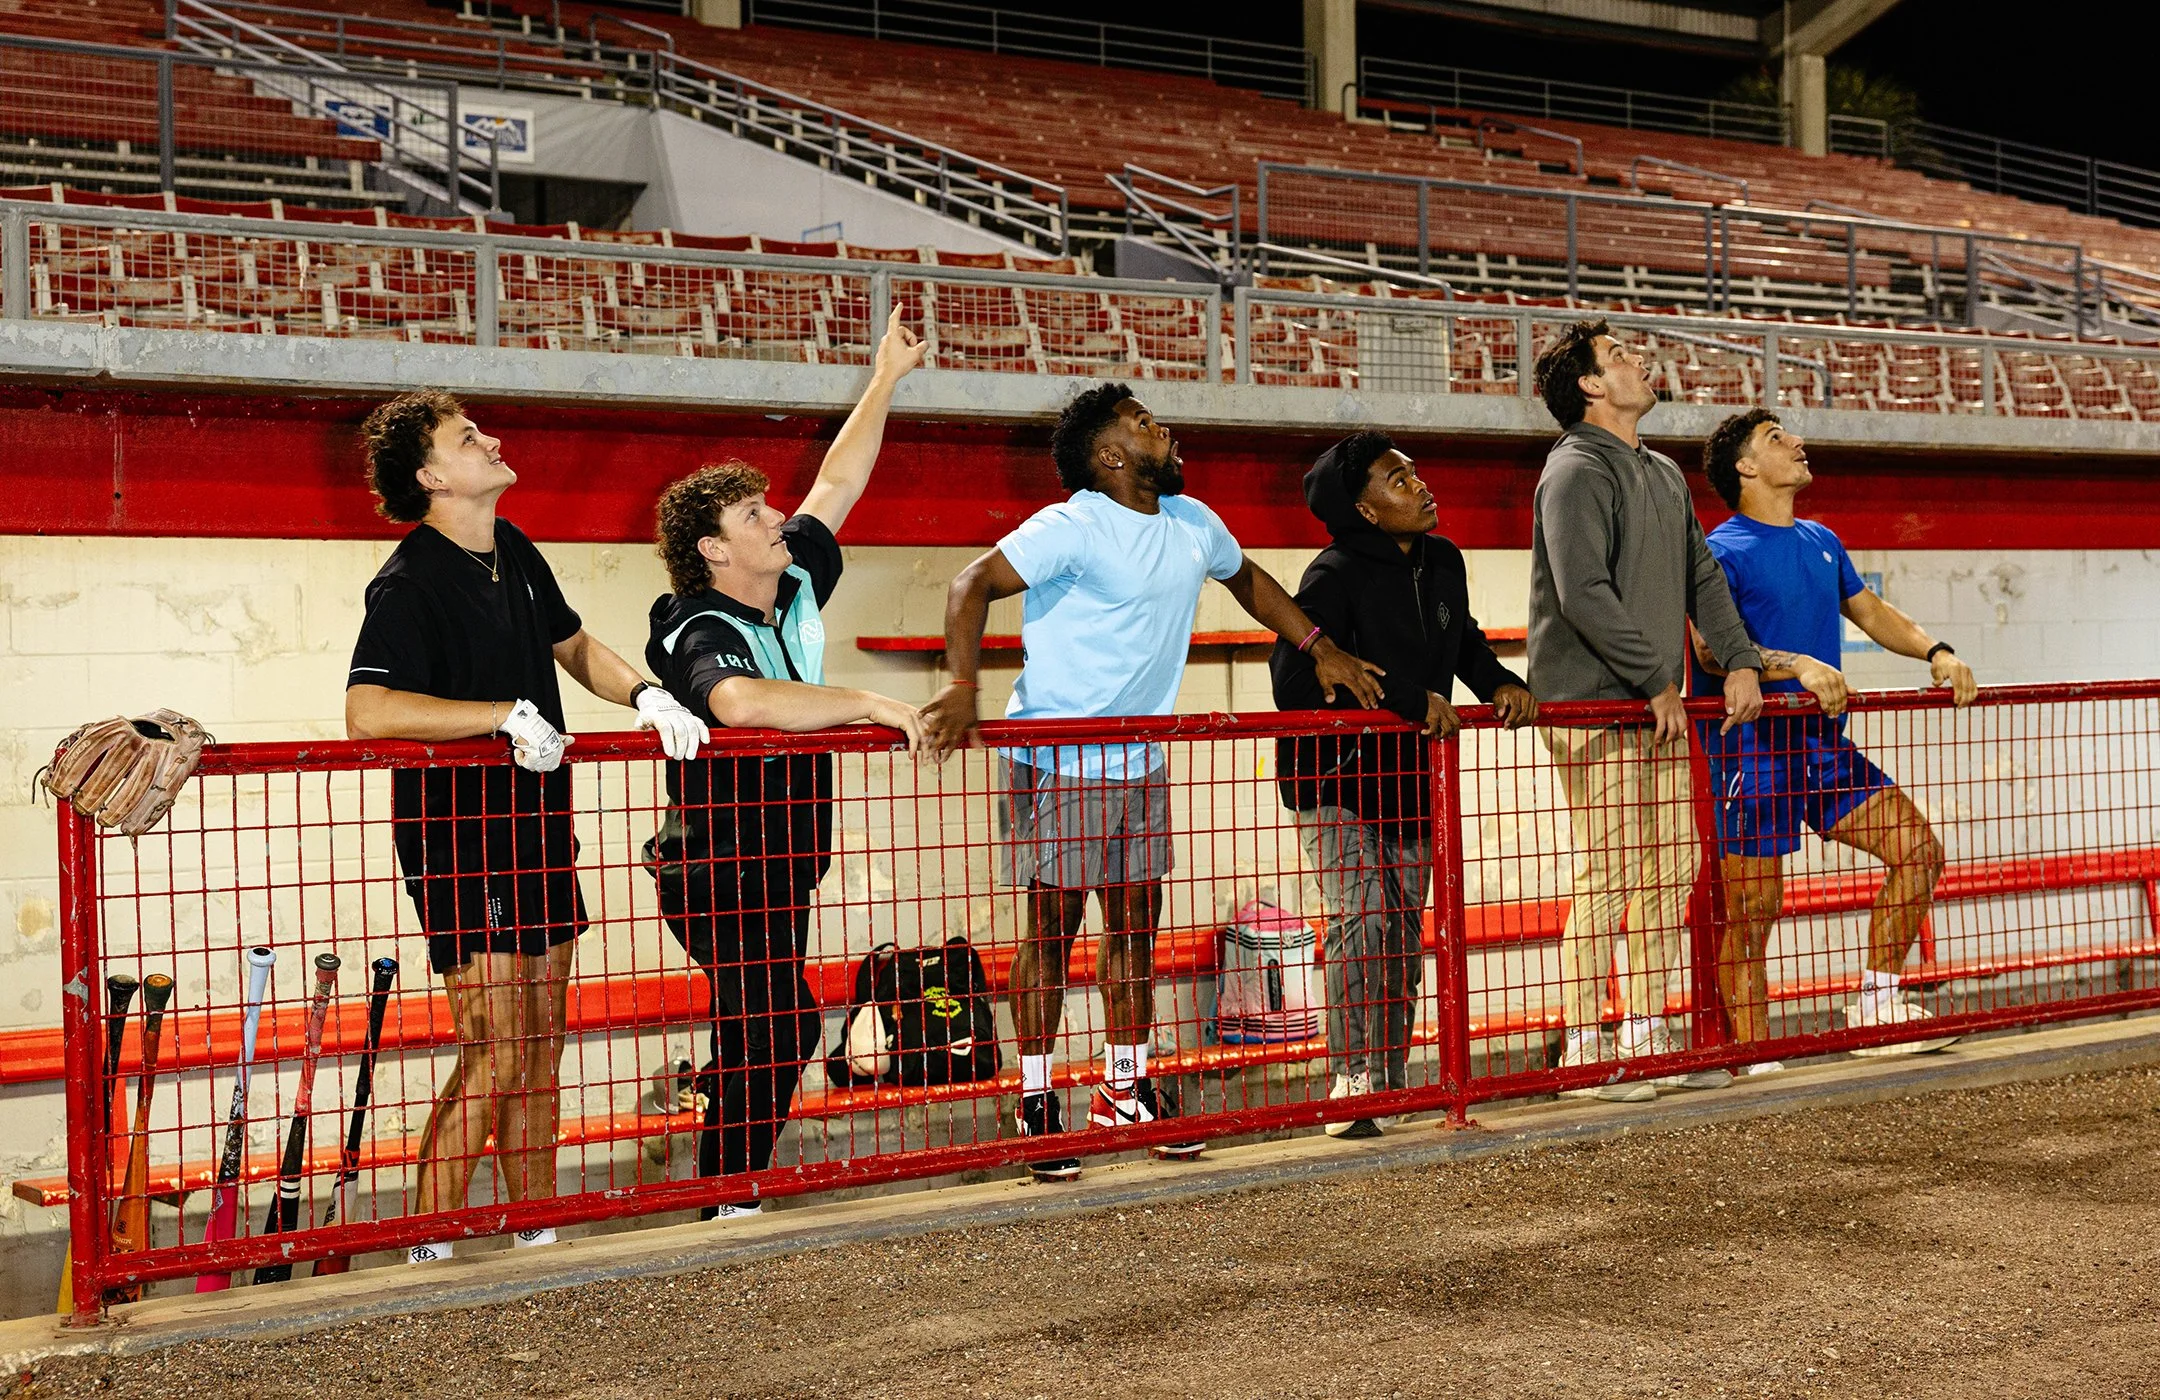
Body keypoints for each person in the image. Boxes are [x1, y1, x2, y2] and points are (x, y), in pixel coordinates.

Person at [920, 383, 1383, 1180]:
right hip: (1059, 760)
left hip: (1139, 760)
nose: (1161, 429)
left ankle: (1123, 1090)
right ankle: (1034, 1101)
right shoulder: (1074, 524)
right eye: (1142, 424)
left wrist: (1319, 646)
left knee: (1134, 930)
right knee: (1050, 936)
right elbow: (970, 587)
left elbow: (1249, 581)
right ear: (1110, 457)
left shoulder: (1194, 521)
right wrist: (963, 692)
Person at [346, 391, 707, 1264]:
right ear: (432, 478)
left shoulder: (511, 547)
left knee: (542, 1045)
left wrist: (647, 695)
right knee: (496, 1053)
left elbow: (575, 645)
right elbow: (367, 708)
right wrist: (496, 717)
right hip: (460, 846)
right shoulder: (407, 580)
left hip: (538, 830)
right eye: (469, 439)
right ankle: (425, 1242)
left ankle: (535, 1228)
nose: (492, 439)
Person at [644, 305, 928, 1219]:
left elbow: (837, 485)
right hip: (713, 869)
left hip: (784, 860)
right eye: (754, 515)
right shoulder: (690, 620)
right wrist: (868, 699)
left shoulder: (793, 581)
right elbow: (738, 703)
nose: (778, 521)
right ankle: (726, 1195)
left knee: (761, 1023)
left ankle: (721, 1156)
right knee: (783, 1020)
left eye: (770, 509)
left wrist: (886, 377)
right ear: (714, 550)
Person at [1271, 432, 1538, 1137]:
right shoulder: (1330, 576)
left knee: (1400, 937)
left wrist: (1502, 682)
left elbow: (1465, 639)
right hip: (1333, 785)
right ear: (1365, 508)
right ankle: (1349, 1084)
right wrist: (1407, 701)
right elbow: (1291, 682)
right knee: (1364, 919)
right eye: (1398, 480)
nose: (1420, 486)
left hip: (1410, 783)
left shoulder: (1442, 561)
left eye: (1415, 472)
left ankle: (1387, 1083)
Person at [1527, 320, 1764, 1104]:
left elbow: (1703, 577)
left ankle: (1641, 1031)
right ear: (1591, 387)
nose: (1638, 362)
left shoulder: (1659, 471)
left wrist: (1738, 661)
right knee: (1613, 867)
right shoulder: (1574, 469)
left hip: (1652, 706)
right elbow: (1582, 591)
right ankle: (1586, 1051)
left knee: (1672, 865)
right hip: (1597, 708)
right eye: (1619, 357)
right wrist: (1655, 678)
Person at [1694, 409, 1974, 1068]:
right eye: (1775, 438)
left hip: (1822, 747)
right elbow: (1710, 651)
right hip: (1750, 750)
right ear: (1745, 467)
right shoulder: (1718, 551)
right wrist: (1796, 663)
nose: (1796, 442)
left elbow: (1872, 611)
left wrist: (1935, 649)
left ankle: (1876, 1000)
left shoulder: (1822, 538)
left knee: (1919, 851)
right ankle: (1756, 1060)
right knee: (1755, 909)